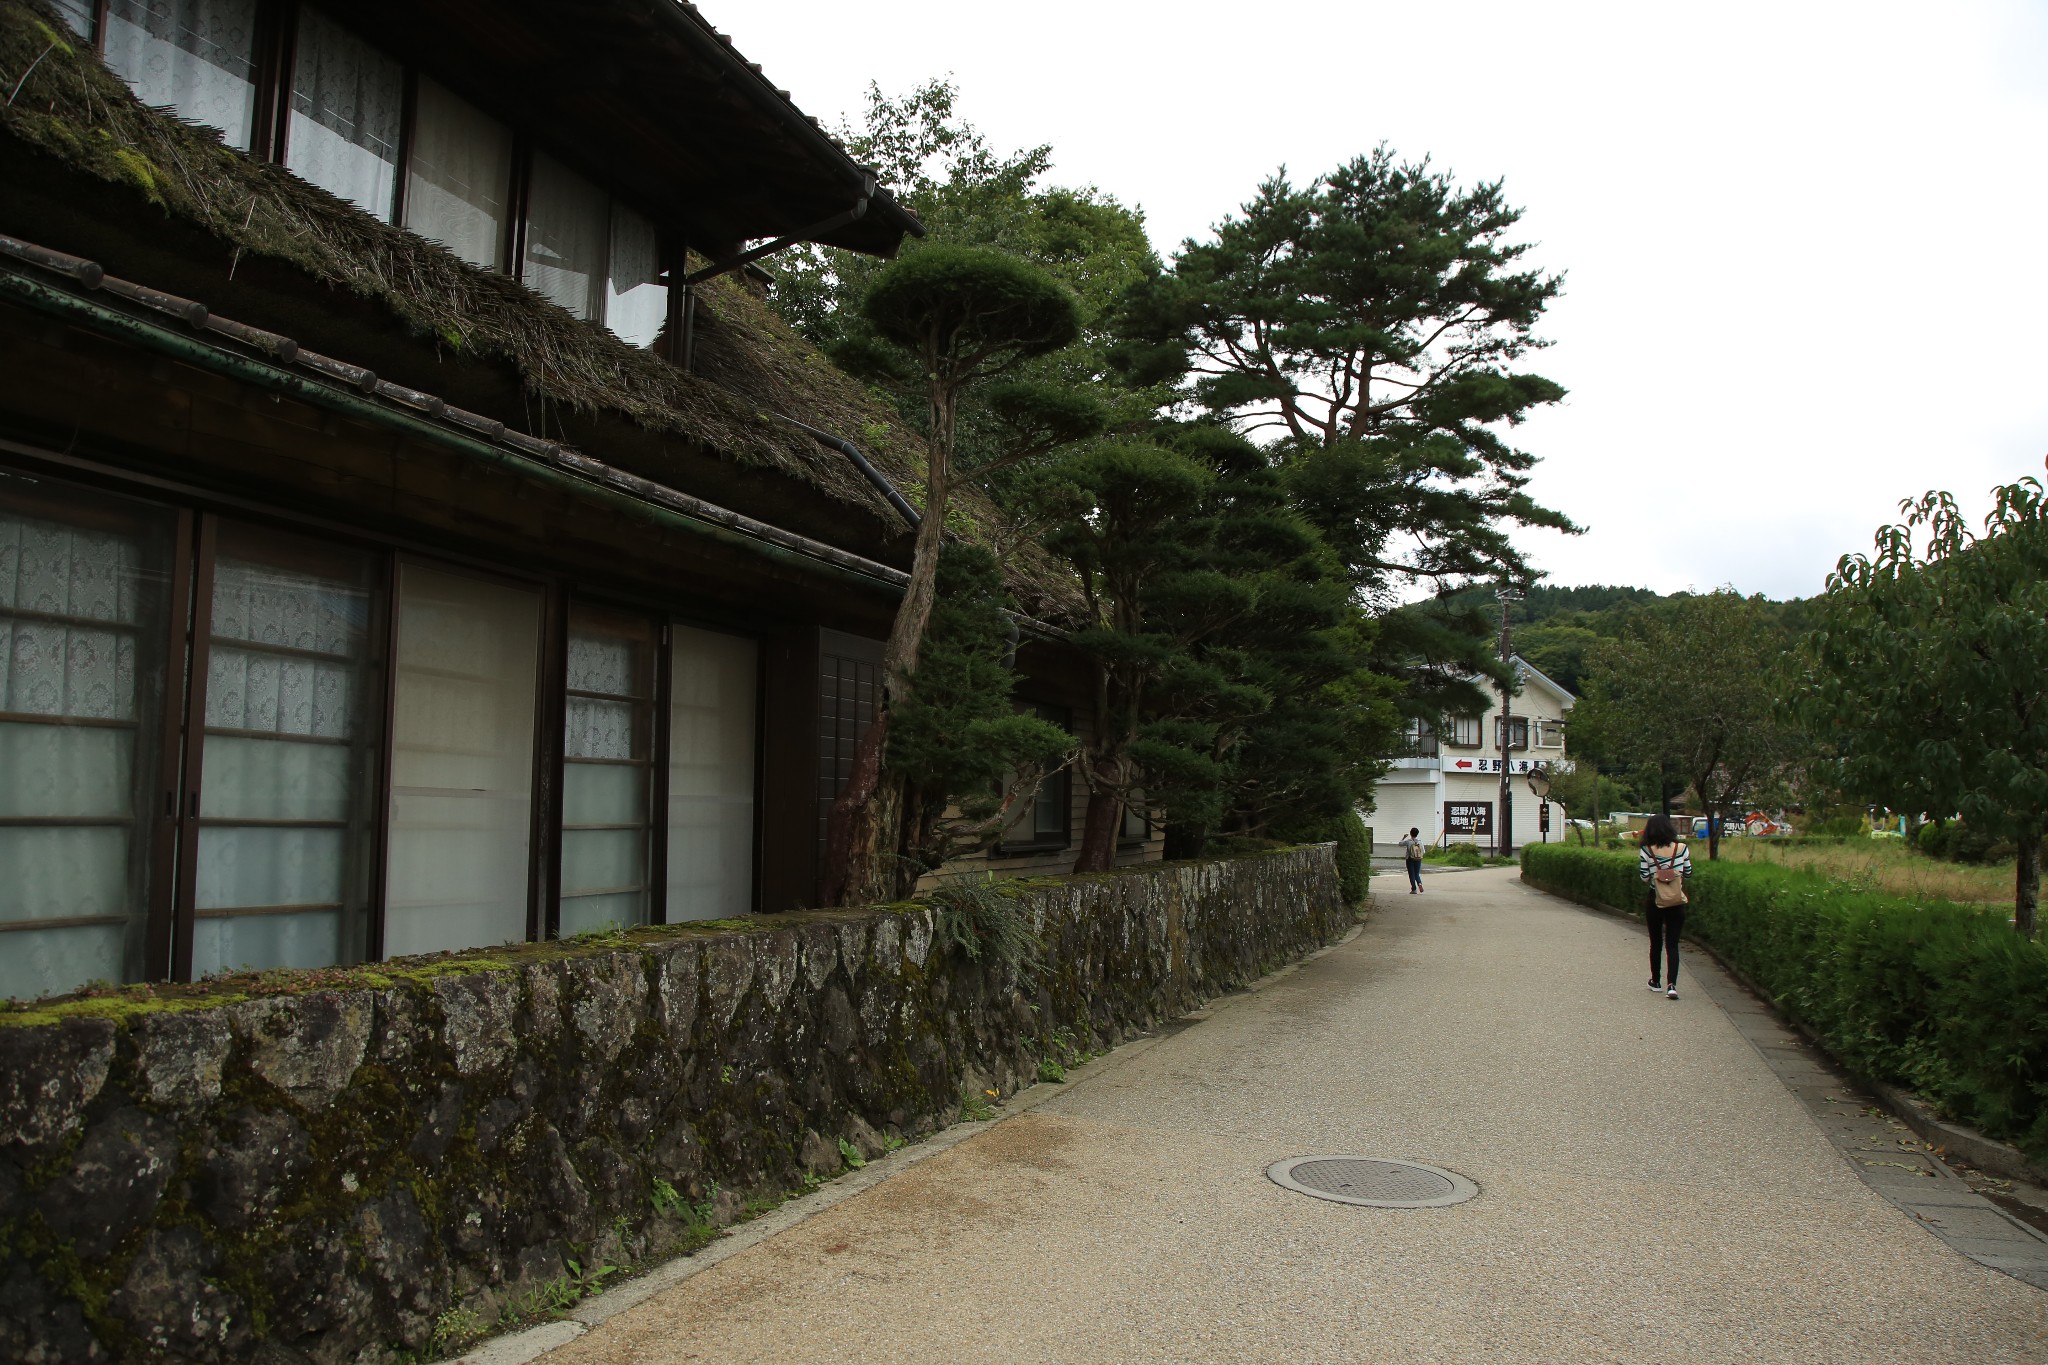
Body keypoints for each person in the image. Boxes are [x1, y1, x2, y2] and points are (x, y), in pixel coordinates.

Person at [1638, 813, 1692, 999]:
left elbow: (1644, 877)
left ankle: (1656, 981)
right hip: (1676, 900)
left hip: (1655, 900)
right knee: (1673, 944)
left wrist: (1657, 871)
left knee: (1656, 942)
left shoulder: (1646, 850)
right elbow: (1689, 873)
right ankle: (1672, 985)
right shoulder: (1682, 848)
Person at [1399, 827, 1426, 893]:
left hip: (1410, 859)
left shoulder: (1409, 841)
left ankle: (1414, 889)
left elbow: (1400, 844)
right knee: (1417, 873)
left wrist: (1403, 837)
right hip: (1418, 859)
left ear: (1411, 833)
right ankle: (1419, 883)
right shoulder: (1420, 841)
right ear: (1417, 834)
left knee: (1411, 874)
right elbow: (1423, 851)